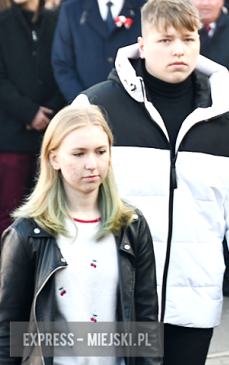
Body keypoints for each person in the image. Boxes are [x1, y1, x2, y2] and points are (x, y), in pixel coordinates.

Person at [77, 0, 229, 364]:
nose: (178, 50)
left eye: (188, 39)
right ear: (143, 45)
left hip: (194, 300)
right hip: (115, 297)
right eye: (165, 40)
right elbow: (69, 202)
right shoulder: (96, 108)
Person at [0, 104, 159, 364]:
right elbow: (8, 332)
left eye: (100, 152)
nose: (91, 164)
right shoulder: (27, 233)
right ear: (54, 159)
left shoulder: (132, 225)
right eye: (78, 153)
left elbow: (146, 322)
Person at [0, 0, 65, 234]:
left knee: (50, 208)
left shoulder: (58, 21)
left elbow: (65, 68)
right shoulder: (2, 24)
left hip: (51, 132)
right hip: (12, 133)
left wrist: (46, 113)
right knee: (9, 210)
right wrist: (29, 113)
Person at [52, 0, 147, 102]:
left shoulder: (144, 8)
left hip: (133, 105)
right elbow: (62, 63)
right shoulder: (72, 10)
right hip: (86, 106)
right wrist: (82, 101)